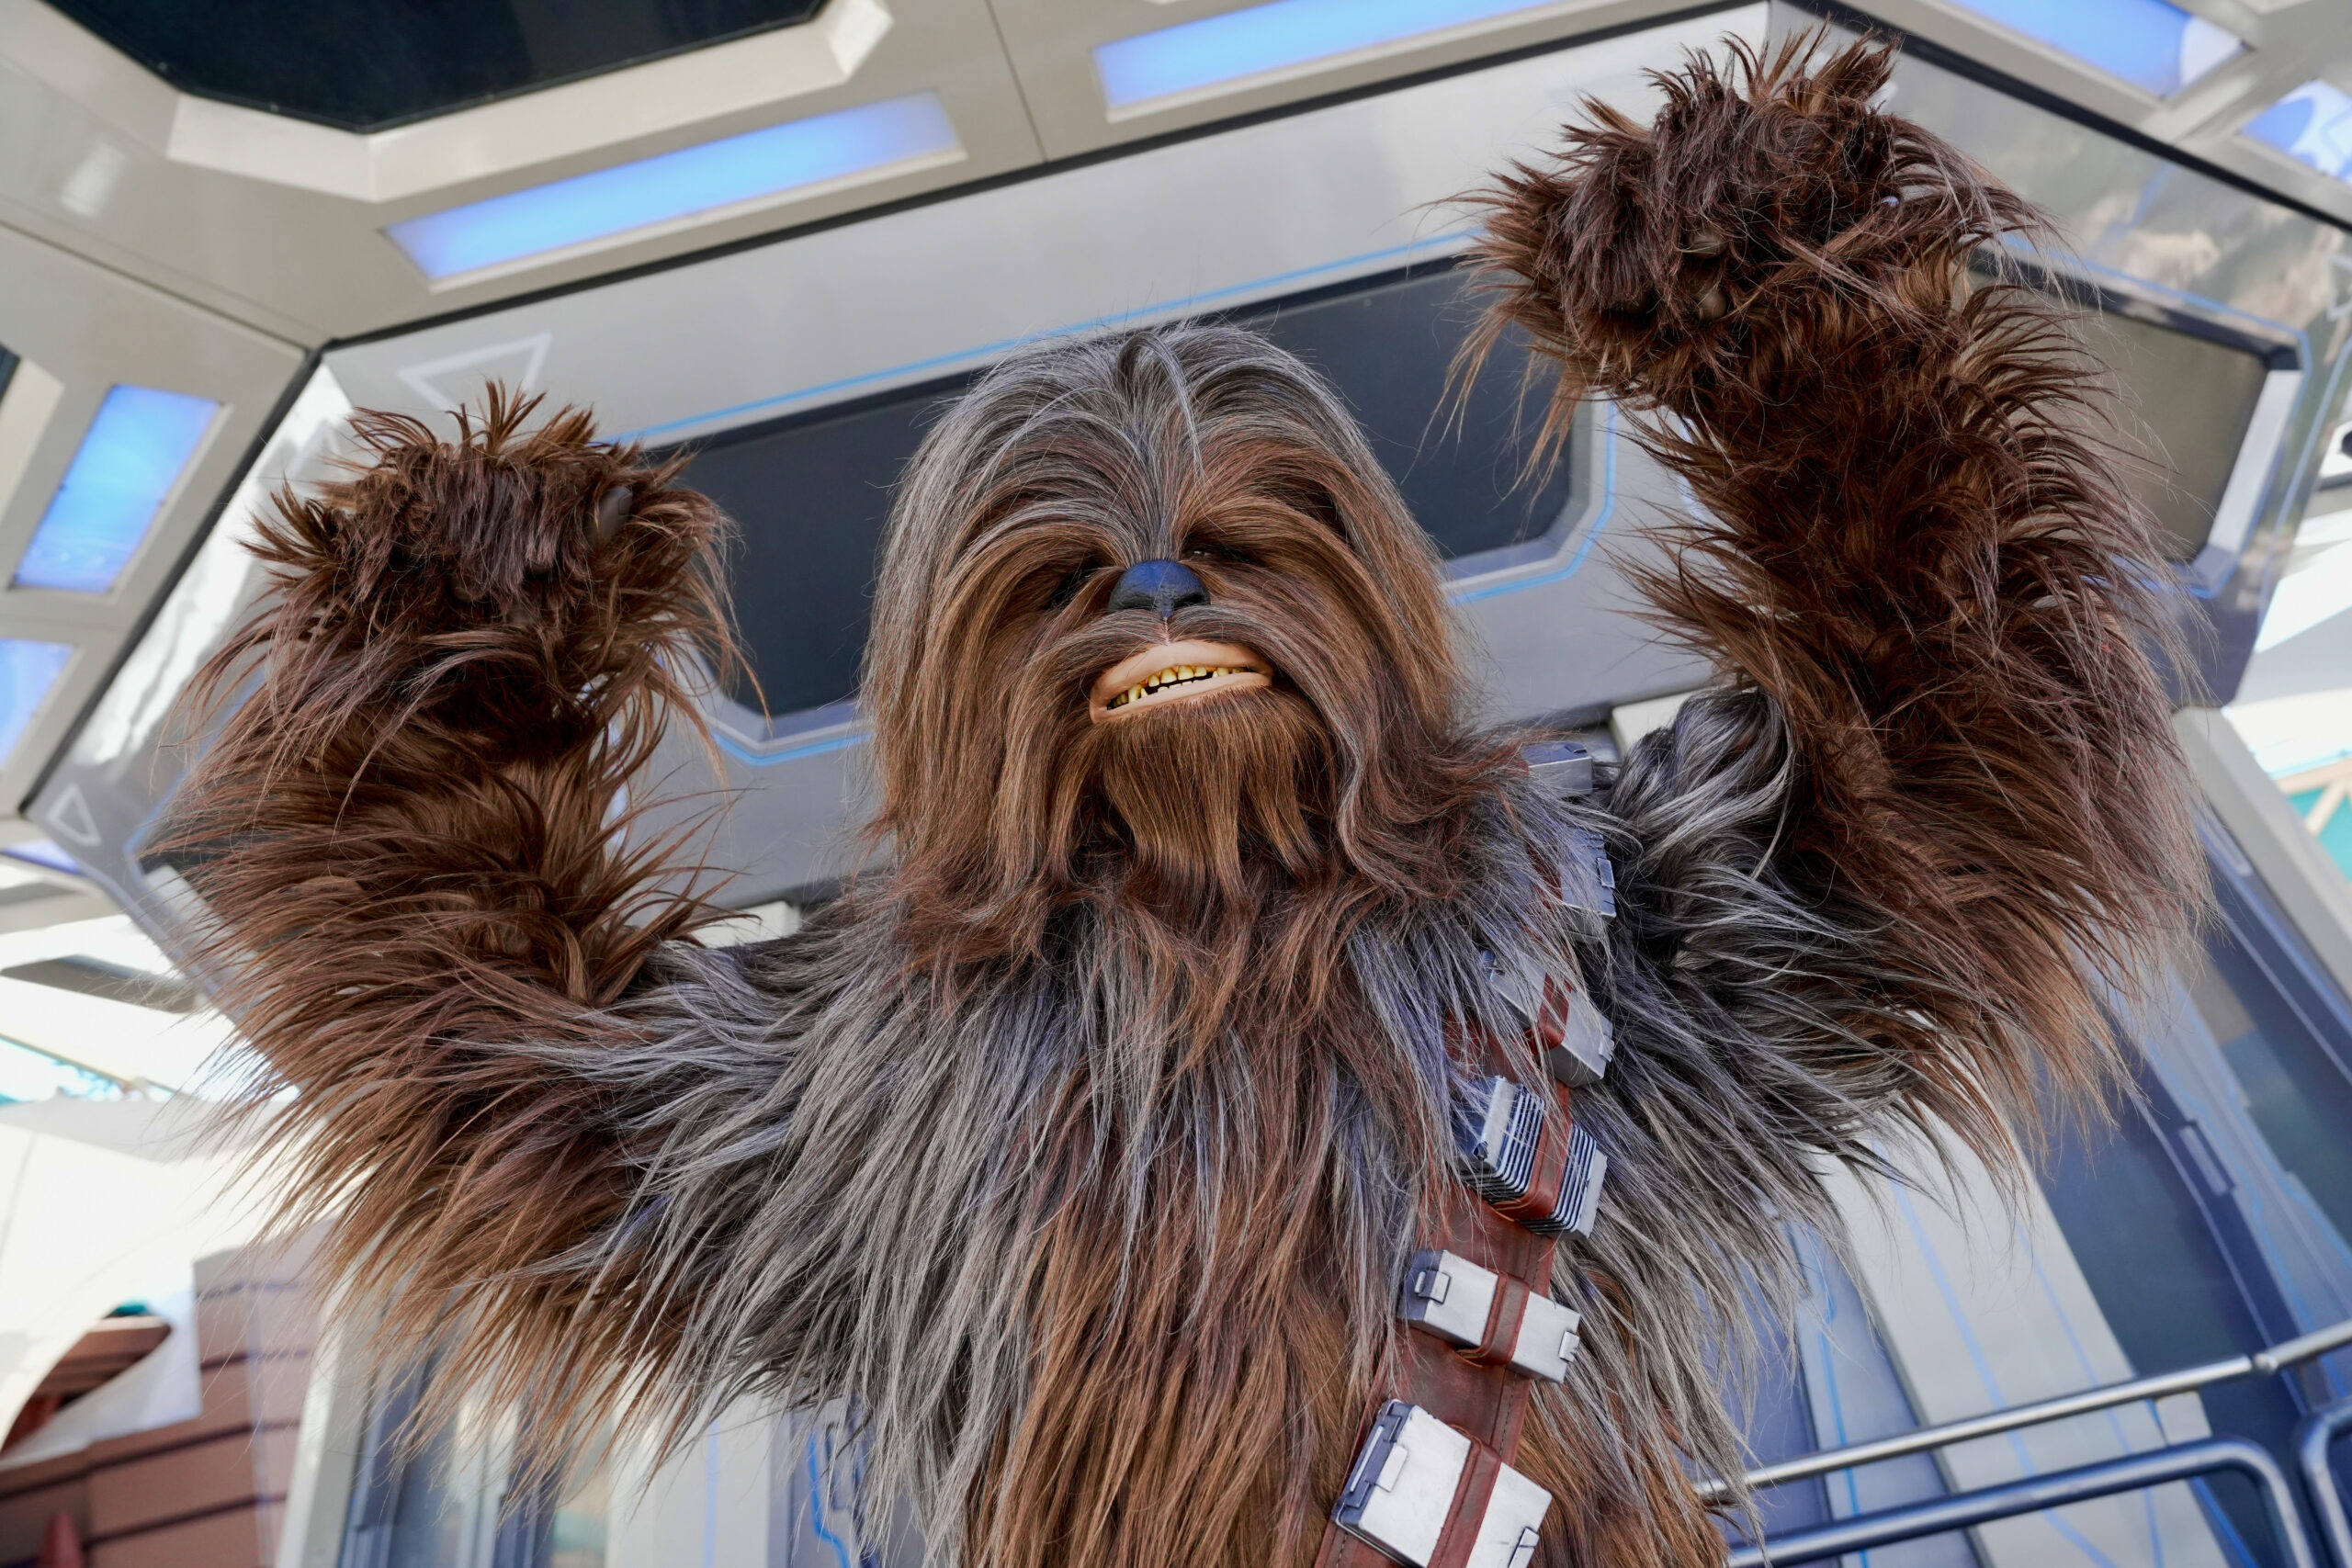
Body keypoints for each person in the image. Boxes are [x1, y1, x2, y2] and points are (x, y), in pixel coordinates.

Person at [164, 36, 2200, 1568]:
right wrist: (438, 674)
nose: (1156, 590)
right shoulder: (861, 1080)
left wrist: (1814, 354)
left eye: (1249, 545)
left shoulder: (1607, 926)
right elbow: (486, 1089)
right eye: (1055, 585)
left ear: (1374, 627)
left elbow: (1960, 755)